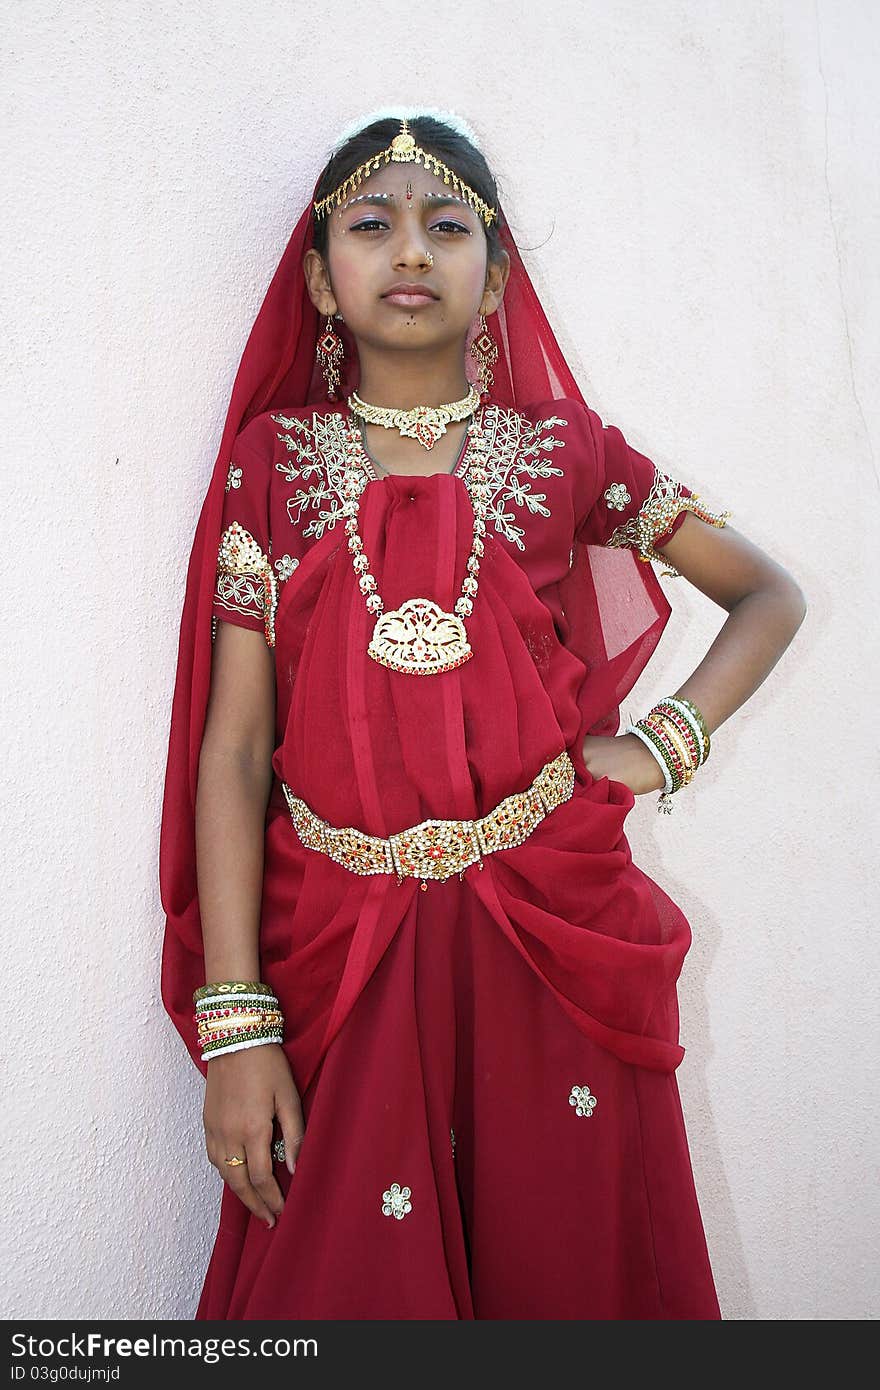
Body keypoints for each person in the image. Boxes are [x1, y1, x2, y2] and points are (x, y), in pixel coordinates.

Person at [159, 108, 807, 1320]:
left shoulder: (563, 453)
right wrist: (238, 1023)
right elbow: (236, 750)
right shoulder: (271, 456)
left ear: (495, 274)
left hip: (547, 934)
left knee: (564, 1263)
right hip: (341, 953)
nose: (411, 249)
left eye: (446, 225)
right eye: (372, 223)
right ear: (318, 275)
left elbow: (766, 594)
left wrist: (657, 747)